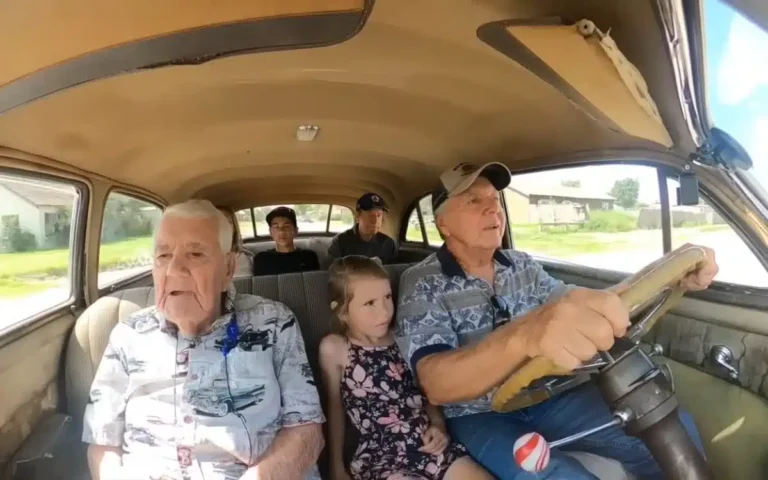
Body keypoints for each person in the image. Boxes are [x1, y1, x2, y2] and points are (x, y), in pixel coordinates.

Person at [395, 162, 719, 480]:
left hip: (551, 394)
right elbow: (435, 384)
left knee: (667, 433)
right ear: (443, 224)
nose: (492, 209)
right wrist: (525, 334)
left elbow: (592, 302)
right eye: (474, 201)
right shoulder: (423, 282)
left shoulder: (520, 265)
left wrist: (670, 272)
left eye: (495, 200)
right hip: (481, 414)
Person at [83, 199, 325, 480]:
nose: (174, 270)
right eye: (163, 256)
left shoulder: (273, 322)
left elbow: (307, 431)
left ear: (228, 269)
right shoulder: (128, 335)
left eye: (195, 254)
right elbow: (102, 442)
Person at [319, 256, 491, 480]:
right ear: (342, 311)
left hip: (429, 445)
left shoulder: (404, 336)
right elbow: (334, 410)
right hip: (382, 456)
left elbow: (427, 388)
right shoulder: (335, 349)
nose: (384, 312)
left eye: (387, 297)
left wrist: (438, 425)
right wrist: (336, 467)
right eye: (369, 303)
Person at [327, 193, 398, 264]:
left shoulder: (388, 243)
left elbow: (392, 271)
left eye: (379, 215)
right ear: (358, 216)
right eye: (370, 215)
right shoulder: (340, 242)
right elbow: (333, 271)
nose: (375, 221)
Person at [253, 206, 321, 276]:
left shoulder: (309, 257)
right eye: (276, 227)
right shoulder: (262, 259)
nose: (281, 231)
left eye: (286, 226)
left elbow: (314, 284)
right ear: (270, 233)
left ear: (295, 231)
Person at [217, 206, 255, 278]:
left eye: (228, 222)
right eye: (219, 222)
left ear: (234, 228)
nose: (224, 227)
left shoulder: (246, 258)